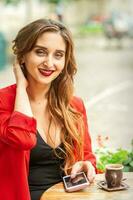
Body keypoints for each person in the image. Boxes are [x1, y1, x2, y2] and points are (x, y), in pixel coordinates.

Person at [0, 19, 96, 200]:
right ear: (22, 56)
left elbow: (86, 155)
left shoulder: (74, 105)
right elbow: (22, 139)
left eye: (58, 55)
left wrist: (86, 165)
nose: (49, 63)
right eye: (40, 52)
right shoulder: (2, 102)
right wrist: (21, 87)